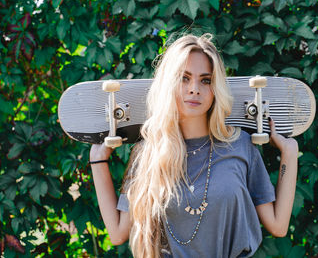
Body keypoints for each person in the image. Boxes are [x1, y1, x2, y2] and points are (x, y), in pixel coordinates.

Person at [89, 34, 298, 258]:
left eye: (205, 80)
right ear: (169, 84)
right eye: (184, 78)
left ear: (215, 88)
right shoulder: (148, 154)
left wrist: (289, 153)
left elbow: (278, 225)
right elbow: (118, 232)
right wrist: (98, 161)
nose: (194, 89)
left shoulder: (240, 145)